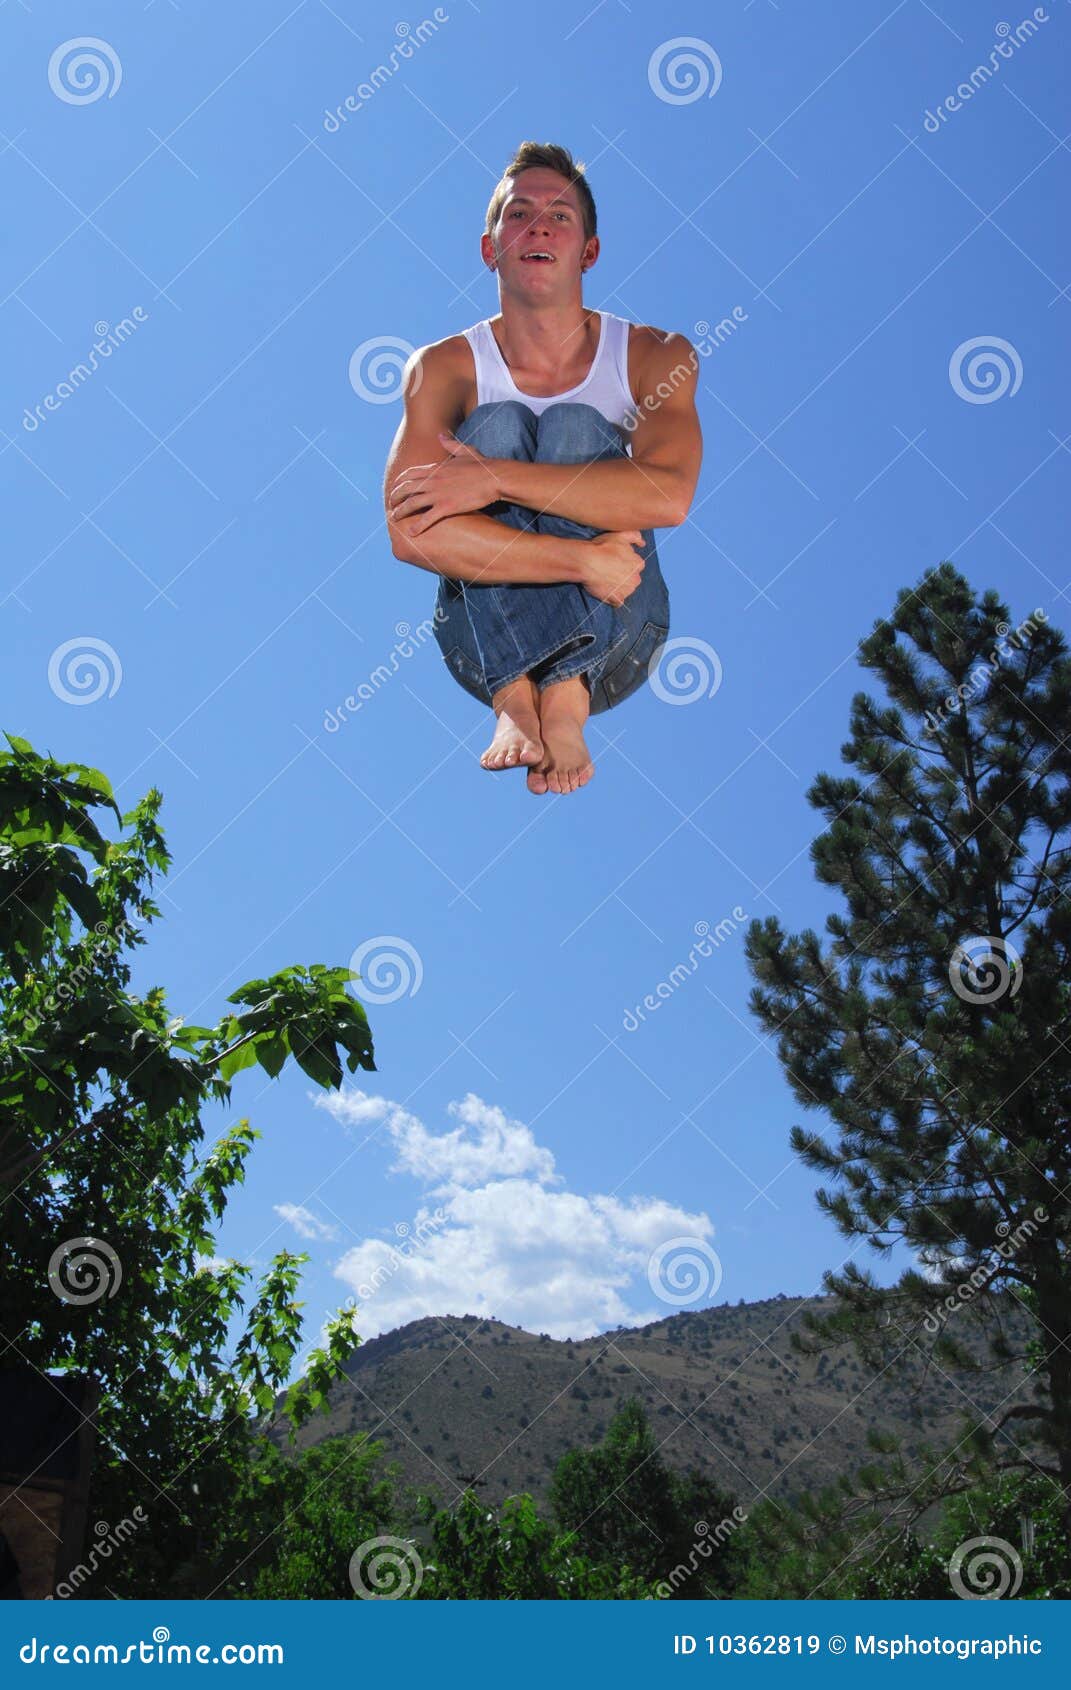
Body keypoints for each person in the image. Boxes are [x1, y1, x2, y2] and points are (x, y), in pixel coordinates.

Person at [384, 141, 702, 795]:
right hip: (480, 645)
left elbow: (668, 496)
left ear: (589, 251)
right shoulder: (442, 367)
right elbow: (408, 532)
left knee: (572, 425)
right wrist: (581, 561)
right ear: (490, 248)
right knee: (497, 423)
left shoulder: (654, 354)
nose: (538, 227)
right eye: (519, 214)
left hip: (622, 634)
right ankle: (516, 698)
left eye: (559, 215)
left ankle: (565, 697)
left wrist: (494, 478)